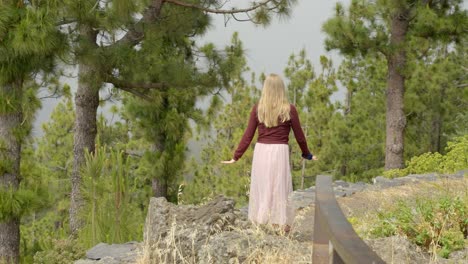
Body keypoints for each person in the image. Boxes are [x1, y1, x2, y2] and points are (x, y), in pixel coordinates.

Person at [221, 73, 317, 233]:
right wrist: (306, 154)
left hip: (262, 151)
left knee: (263, 185)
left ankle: (261, 222)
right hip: (280, 151)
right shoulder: (289, 109)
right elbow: (300, 136)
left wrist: (236, 156)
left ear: (265, 89)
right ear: (281, 89)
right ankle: (279, 224)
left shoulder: (258, 108)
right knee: (279, 187)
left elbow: (248, 135)